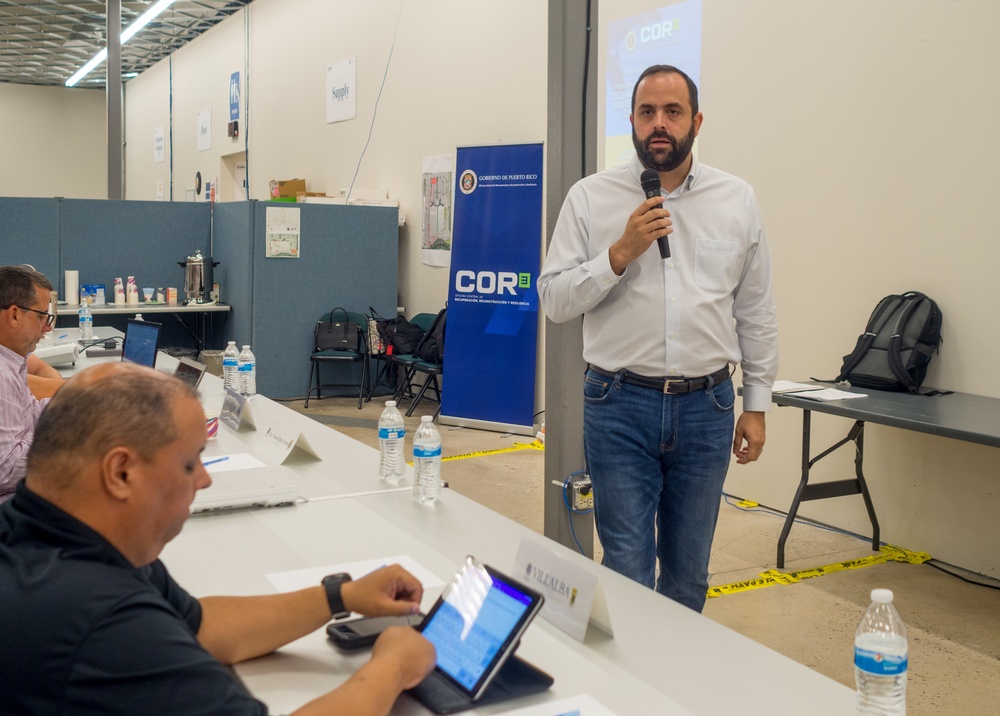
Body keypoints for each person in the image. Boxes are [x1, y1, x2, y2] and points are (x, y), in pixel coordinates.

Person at [0, 362, 436, 715]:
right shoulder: (99, 619)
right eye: (191, 464)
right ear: (121, 472)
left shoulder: (56, 532)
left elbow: (203, 627)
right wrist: (392, 666)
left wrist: (341, 596)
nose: (205, 480)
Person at [537, 65, 778, 612]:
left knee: (689, 576)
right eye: (647, 113)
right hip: (618, 404)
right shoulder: (589, 198)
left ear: (695, 121)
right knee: (626, 570)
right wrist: (618, 255)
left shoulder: (735, 199)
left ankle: (670, 690)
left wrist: (757, 404)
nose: (659, 124)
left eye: (672, 112)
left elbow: (755, 311)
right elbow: (553, 301)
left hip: (709, 407)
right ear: (631, 122)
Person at [0, 265, 57, 502]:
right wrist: (71, 444)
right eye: (42, 316)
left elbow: (28, 412)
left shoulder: (12, 360)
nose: (47, 327)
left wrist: (78, 408)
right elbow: (6, 470)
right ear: (14, 314)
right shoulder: (2, 374)